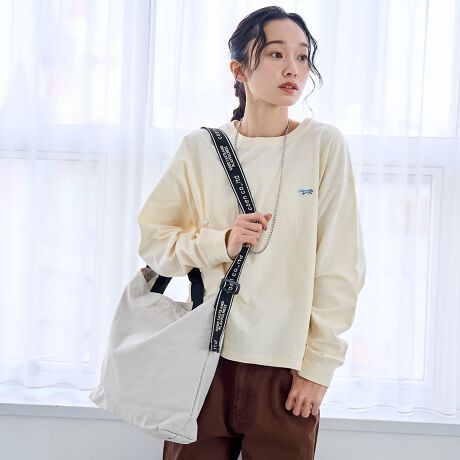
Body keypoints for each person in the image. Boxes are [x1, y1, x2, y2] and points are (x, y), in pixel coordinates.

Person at [137, 5, 366, 460]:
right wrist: (219, 242)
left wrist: (319, 367)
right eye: (276, 53)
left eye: (302, 57)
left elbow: (340, 267)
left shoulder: (323, 146)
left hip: (285, 372)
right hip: (204, 363)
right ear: (239, 70)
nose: (292, 68)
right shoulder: (200, 149)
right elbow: (155, 244)